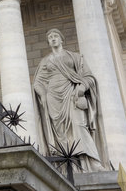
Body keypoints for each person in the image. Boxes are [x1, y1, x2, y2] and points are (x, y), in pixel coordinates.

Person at [33, 29, 106, 172]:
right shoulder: (45, 61)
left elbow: (89, 77)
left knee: (79, 126)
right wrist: (43, 95)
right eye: (50, 37)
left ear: (61, 39)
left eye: (55, 36)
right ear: (48, 42)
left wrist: (82, 86)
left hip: (72, 94)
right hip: (53, 98)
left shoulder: (75, 57)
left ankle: (93, 162)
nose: (53, 39)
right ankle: (67, 168)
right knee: (60, 134)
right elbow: (37, 82)